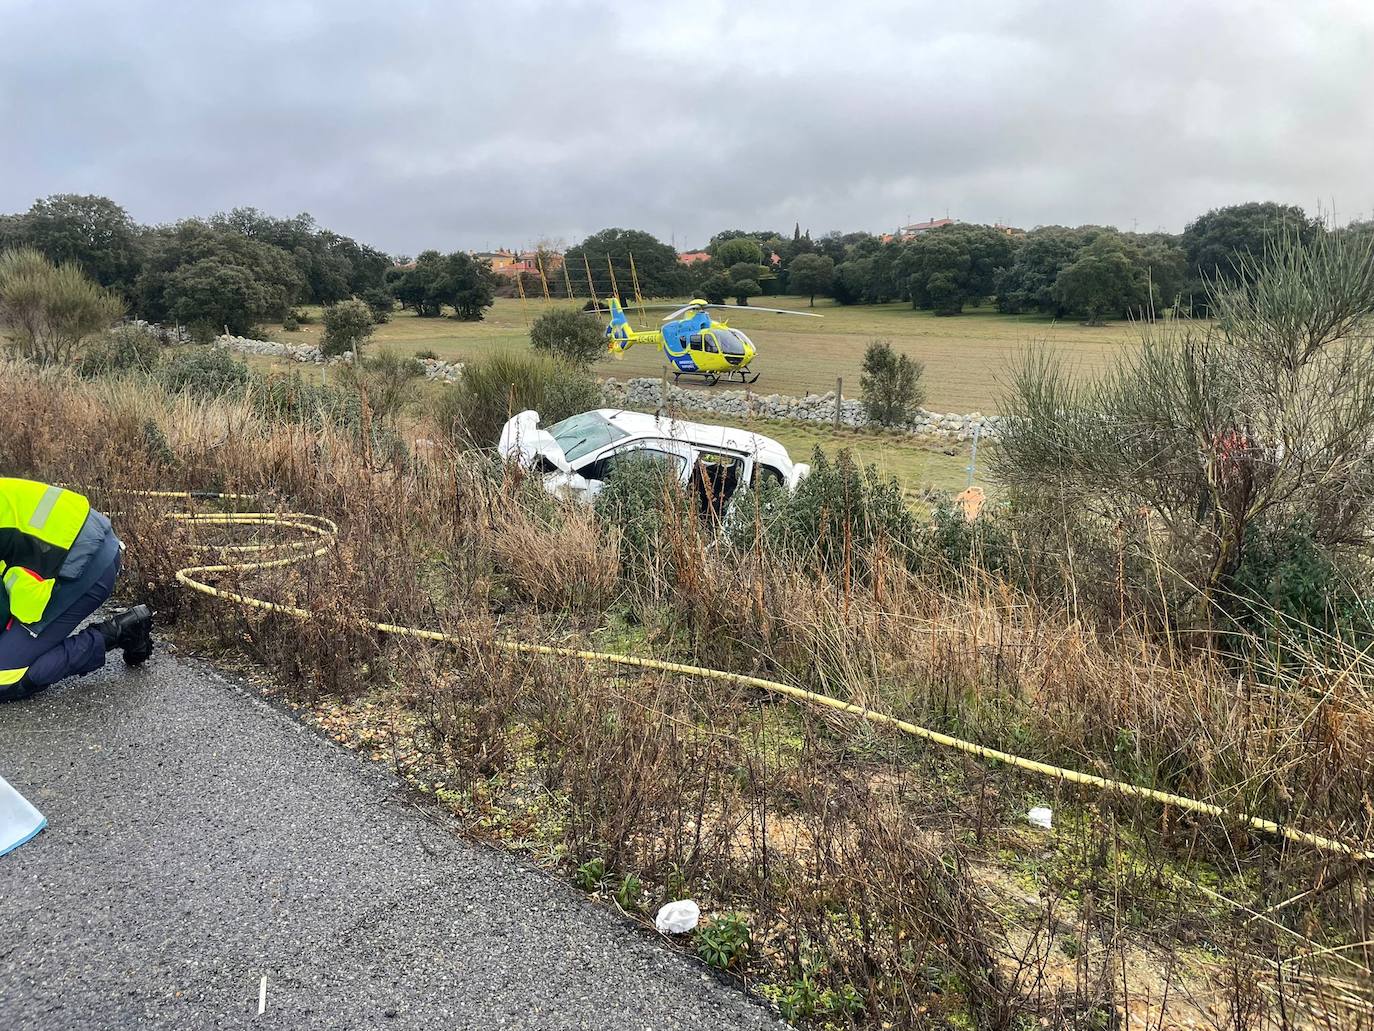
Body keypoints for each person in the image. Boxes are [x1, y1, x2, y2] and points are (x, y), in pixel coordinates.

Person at [0, 478, 152, 703]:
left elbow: (17, 607)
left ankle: (118, 632)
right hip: (83, 542)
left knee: (5, 676)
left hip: (85, 566)